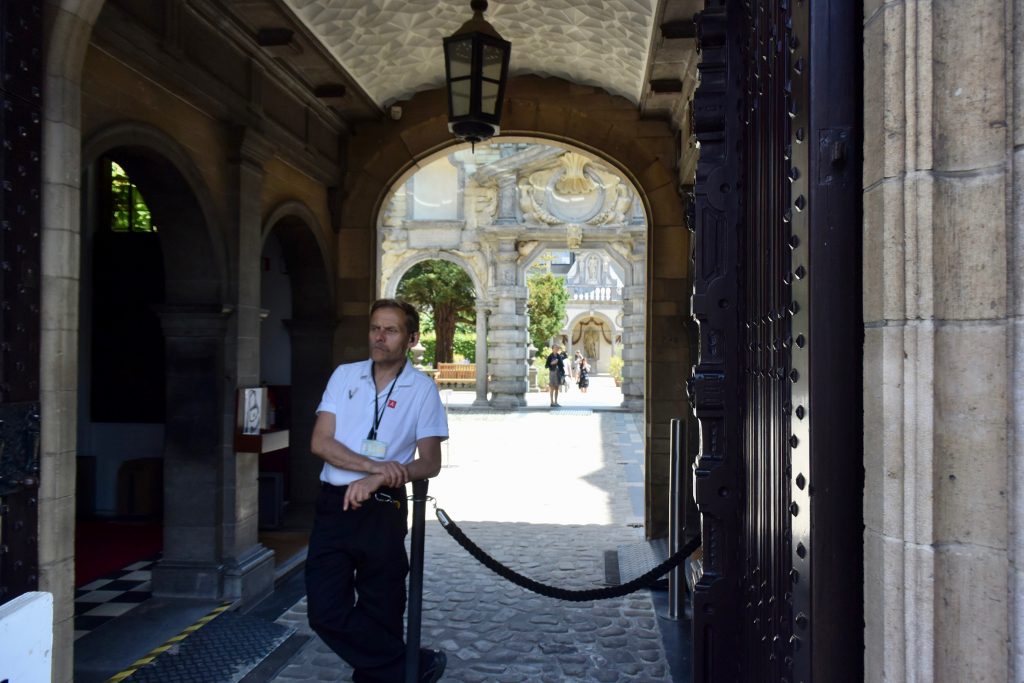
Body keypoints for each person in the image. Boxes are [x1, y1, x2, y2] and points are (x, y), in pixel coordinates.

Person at [306, 298, 448, 683]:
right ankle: (411, 665)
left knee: (382, 609)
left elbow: (429, 462)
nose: (379, 337)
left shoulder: (422, 390)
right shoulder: (344, 376)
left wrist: (378, 481)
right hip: (336, 505)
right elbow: (321, 442)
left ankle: (382, 675)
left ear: (411, 338)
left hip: (383, 508)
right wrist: (374, 468)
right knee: (325, 610)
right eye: (374, 328)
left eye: (391, 330)